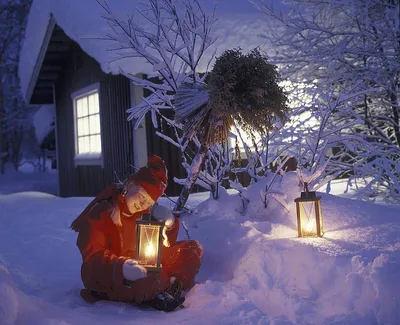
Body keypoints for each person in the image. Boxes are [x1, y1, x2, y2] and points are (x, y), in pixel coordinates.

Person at [70, 155, 203, 312]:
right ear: (129, 185)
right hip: (110, 275)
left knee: (192, 250)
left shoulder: (146, 214)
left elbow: (164, 246)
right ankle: (162, 287)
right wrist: (122, 268)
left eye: (148, 201)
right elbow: (93, 257)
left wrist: (170, 225)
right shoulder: (102, 212)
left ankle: (165, 286)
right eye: (141, 196)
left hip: (141, 267)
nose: (142, 204)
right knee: (149, 279)